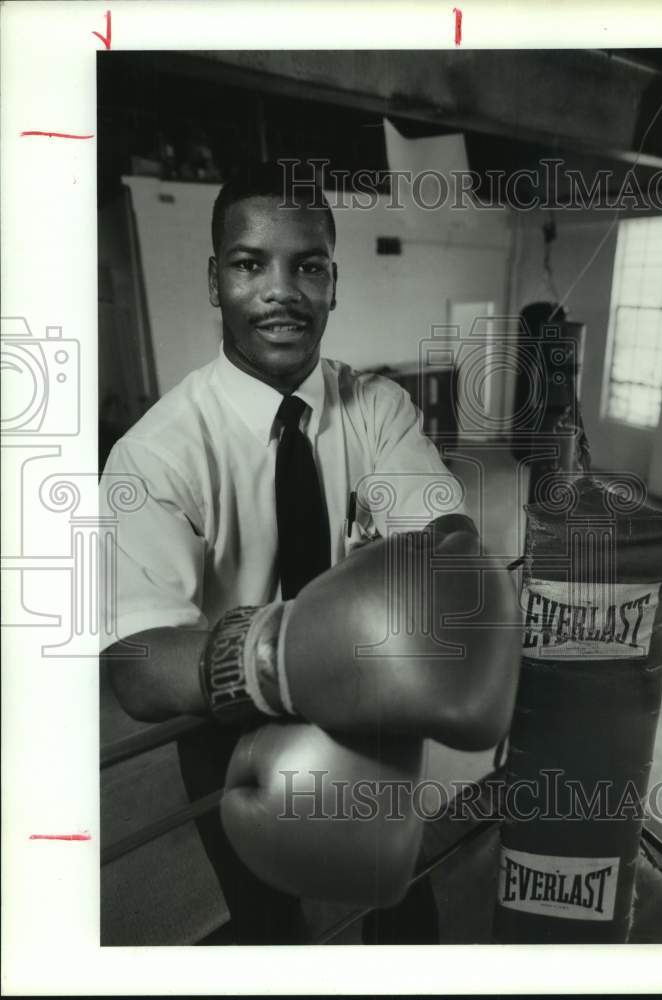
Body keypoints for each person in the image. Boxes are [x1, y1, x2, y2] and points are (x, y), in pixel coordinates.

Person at [100, 160, 481, 945]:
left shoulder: (375, 408)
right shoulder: (156, 454)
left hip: (372, 717)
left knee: (400, 905)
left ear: (333, 282)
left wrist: (444, 573)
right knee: (269, 927)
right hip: (230, 734)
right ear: (215, 280)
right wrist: (300, 650)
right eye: (249, 265)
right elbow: (137, 665)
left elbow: (444, 543)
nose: (281, 290)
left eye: (307, 265)